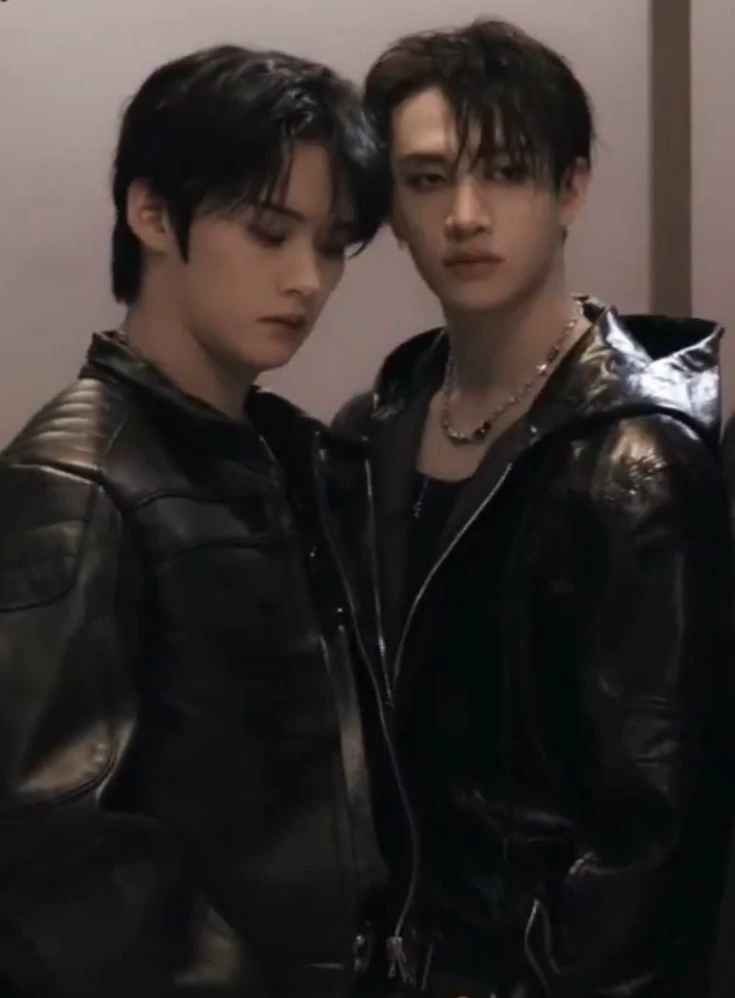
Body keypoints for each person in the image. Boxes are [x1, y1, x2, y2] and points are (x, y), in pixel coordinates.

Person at [336, 19, 735, 998]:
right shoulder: (373, 427)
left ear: (571, 187)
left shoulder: (635, 462)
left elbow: (650, 842)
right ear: (392, 208)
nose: (465, 215)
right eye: (428, 179)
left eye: (507, 172)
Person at [0, 44, 394, 998]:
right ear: (151, 214)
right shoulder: (76, 478)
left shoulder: (285, 452)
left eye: (331, 245)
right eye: (268, 232)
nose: (307, 280)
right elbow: (55, 864)